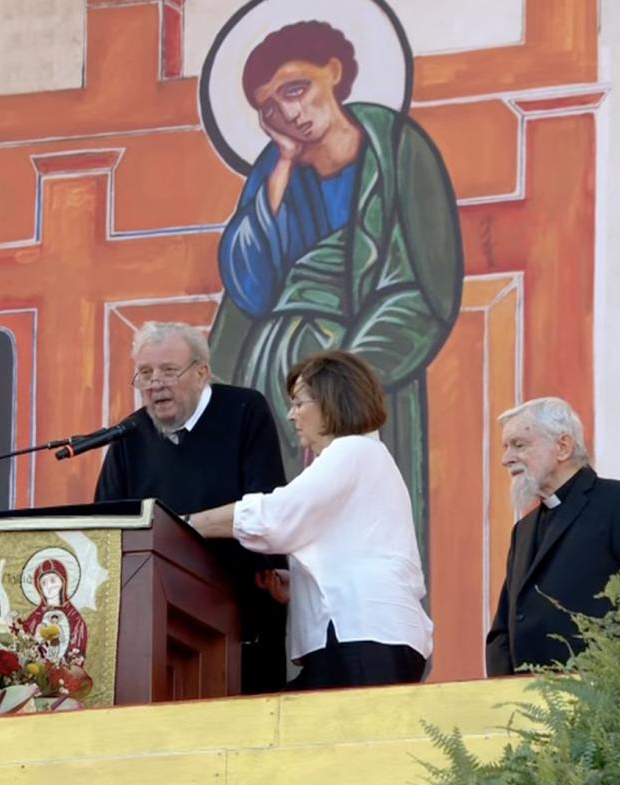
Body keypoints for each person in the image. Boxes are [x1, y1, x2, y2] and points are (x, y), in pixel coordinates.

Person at [207, 20, 463, 563]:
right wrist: (279, 171)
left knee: (358, 534)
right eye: (270, 107)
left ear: (335, 70)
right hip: (278, 381)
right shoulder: (274, 174)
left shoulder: (398, 151)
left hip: (369, 374)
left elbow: (427, 287)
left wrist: (341, 385)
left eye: (296, 88)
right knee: (284, 534)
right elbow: (251, 292)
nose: (290, 113)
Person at [187, 350, 432, 690]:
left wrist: (186, 523)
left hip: (364, 634)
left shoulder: (351, 451)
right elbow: (350, 545)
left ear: (331, 403)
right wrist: (299, 581)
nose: (291, 415)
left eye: (299, 403)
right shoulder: (365, 457)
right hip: (367, 635)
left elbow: (277, 516)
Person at [94, 321, 289, 693]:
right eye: (146, 373)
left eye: (169, 371)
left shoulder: (245, 410)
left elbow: (264, 507)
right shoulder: (130, 434)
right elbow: (106, 529)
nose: (155, 383)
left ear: (201, 373)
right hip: (156, 629)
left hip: (241, 619)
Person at [485, 398, 620, 676]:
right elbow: (504, 628)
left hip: (599, 689)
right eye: (506, 447)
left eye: (519, 445)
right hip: (524, 694)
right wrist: (500, 689)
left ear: (563, 447)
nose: (506, 459)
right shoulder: (523, 529)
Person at [21, 558, 88, 662]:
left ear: (62, 581)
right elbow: (25, 645)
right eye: (43, 583)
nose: (48, 586)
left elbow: (78, 647)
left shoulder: (74, 617)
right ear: (39, 588)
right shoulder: (34, 618)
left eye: (52, 581)